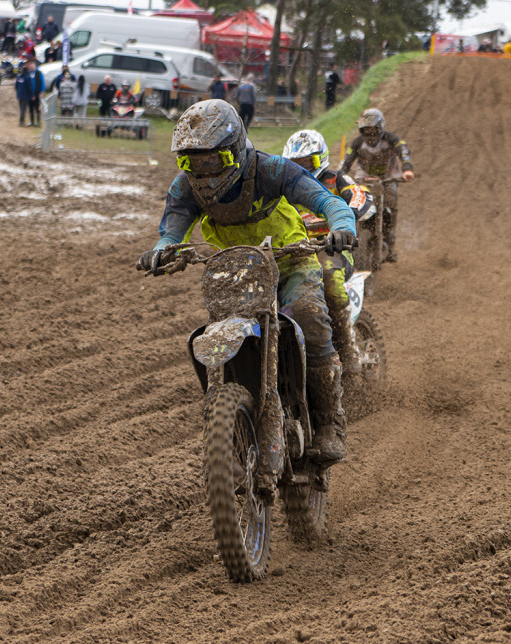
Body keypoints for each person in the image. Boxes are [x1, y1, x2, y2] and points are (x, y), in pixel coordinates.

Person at [137, 100, 357, 481]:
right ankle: (234, 415)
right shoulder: (185, 188)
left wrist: (340, 223)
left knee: (310, 317)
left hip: (291, 260)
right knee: (215, 336)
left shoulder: (271, 169)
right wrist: (161, 252)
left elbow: (325, 199)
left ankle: (329, 424)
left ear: (235, 150)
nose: (203, 173)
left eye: (212, 161)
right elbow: (172, 230)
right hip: (238, 270)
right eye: (192, 163)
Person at [283, 129, 373, 374]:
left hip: (331, 247)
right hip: (293, 250)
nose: (301, 167)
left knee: (328, 275)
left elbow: (359, 194)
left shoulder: (335, 179)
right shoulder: (284, 186)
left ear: (320, 159)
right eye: (295, 163)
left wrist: (346, 221)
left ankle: (346, 342)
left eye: (307, 162)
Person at [341, 108, 414, 263]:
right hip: (363, 178)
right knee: (352, 203)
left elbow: (404, 151)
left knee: (391, 202)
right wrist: (340, 174)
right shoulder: (358, 143)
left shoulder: (391, 139)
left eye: (373, 129)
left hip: (388, 178)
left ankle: (391, 242)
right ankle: (350, 237)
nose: (370, 134)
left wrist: (407, 169)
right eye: (365, 130)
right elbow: (347, 161)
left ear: (380, 128)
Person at [15, 59, 44, 126]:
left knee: (37, 108)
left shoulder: (38, 73)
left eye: (32, 64)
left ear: (34, 65)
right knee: (30, 108)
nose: (31, 66)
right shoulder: (27, 74)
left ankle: (38, 122)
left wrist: (41, 92)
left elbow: (42, 83)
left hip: (37, 93)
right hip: (29, 94)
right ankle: (32, 122)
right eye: (30, 65)